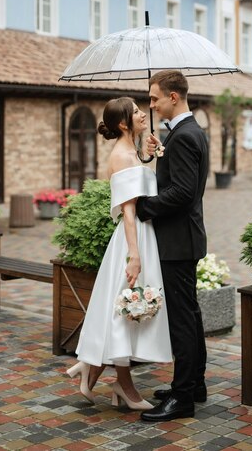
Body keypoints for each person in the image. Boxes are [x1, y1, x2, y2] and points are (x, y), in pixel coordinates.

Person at [66, 96, 172, 409]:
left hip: (140, 236)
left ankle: (93, 367)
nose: (144, 114)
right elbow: (129, 212)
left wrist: (149, 157)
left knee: (124, 309)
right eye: (137, 112)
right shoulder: (123, 156)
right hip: (133, 238)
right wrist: (135, 256)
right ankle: (123, 385)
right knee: (125, 310)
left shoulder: (132, 153)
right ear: (124, 123)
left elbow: (139, 191)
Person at [135, 70, 209, 422]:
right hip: (185, 237)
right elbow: (177, 180)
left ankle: (182, 398)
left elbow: (182, 192)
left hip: (178, 239)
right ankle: (194, 385)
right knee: (190, 316)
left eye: (154, 98)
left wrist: (143, 208)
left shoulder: (183, 136)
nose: (151, 104)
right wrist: (152, 156)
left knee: (181, 320)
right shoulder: (187, 132)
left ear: (173, 97)